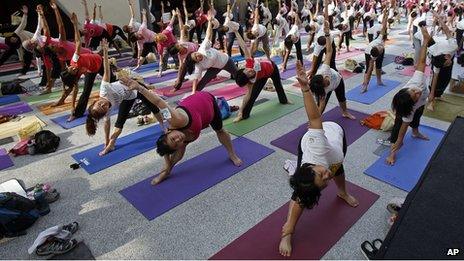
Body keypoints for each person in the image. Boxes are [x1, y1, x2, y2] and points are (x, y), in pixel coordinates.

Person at [279, 61, 359, 257]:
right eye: (324, 181)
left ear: (312, 167)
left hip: (333, 135)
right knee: (301, 194)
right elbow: (317, 179)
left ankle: (342, 192)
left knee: (338, 169)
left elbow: (315, 119)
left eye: (321, 174)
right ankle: (287, 232)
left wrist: (306, 89)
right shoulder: (316, 175)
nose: (326, 177)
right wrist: (287, 234)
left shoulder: (318, 147)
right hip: (320, 151)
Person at [124, 85, 242, 185]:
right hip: (201, 118)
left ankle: (232, 154)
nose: (178, 139)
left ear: (168, 132)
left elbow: (159, 102)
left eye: (173, 138)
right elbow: (170, 147)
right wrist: (167, 163)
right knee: (180, 148)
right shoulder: (179, 140)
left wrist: (140, 88)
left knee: (220, 130)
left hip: (207, 100)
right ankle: (167, 172)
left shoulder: (174, 120)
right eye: (176, 144)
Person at [85, 39, 164, 156]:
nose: (103, 105)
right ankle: (111, 145)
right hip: (128, 97)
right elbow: (107, 125)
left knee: (153, 106)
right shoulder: (106, 112)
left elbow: (106, 70)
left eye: (99, 104)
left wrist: (105, 52)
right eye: (103, 108)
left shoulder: (104, 89)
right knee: (119, 124)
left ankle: (164, 127)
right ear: (105, 111)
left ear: (96, 100)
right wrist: (107, 140)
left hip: (135, 86)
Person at [380, 25, 432, 165]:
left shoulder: (417, 81)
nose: (417, 92)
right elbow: (402, 133)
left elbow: (421, 61)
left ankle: (415, 132)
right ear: (412, 103)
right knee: (398, 129)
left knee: (418, 117)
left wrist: (425, 42)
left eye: (414, 91)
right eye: (415, 95)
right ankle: (392, 150)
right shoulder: (408, 111)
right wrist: (393, 154)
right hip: (406, 109)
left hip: (418, 106)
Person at [61, 13, 116, 122]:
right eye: (74, 71)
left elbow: (77, 42)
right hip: (91, 70)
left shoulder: (74, 60)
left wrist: (75, 25)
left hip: (99, 61)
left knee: (113, 80)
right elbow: (75, 90)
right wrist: (72, 107)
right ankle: (77, 113)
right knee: (86, 92)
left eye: (71, 68)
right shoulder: (75, 76)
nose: (74, 69)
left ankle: (127, 91)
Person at [233, 22, 291, 123]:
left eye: (247, 70)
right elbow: (246, 97)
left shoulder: (249, 64)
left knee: (278, 85)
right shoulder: (251, 82)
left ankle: (284, 101)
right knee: (252, 96)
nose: (250, 71)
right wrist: (240, 111)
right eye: (249, 74)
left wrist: (236, 32)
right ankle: (244, 115)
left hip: (272, 68)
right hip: (262, 77)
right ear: (249, 79)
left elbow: (243, 46)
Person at [308, 21, 356, 119]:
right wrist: (315, 121)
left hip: (338, 80)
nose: (327, 81)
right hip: (327, 86)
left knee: (342, 98)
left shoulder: (324, 70)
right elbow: (320, 107)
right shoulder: (322, 91)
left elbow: (329, 51)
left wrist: (327, 34)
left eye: (325, 80)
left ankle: (345, 112)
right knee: (321, 105)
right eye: (326, 84)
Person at [184, 12, 237, 94]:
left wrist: (209, 22)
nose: (198, 55)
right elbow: (196, 78)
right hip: (215, 67)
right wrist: (193, 92)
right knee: (203, 81)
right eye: (196, 58)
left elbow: (208, 35)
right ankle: (194, 96)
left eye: (195, 54)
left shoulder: (202, 49)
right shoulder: (199, 65)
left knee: (238, 75)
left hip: (226, 61)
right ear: (197, 62)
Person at [426, 14, 458, 111]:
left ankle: (439, 95)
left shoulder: (453, 46)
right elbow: (435, 78)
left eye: (447, 63)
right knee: (436, 81)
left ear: (447, 57)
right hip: (435, 54)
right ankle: (432, 100)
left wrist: (440, 19)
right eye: (446, 64)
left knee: (446, 78)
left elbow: (447, 31)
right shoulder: (437, 60)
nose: (448, 64)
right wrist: (431, 94)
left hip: (442, 51)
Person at [0, 5, 35, 75]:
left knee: (28, 56)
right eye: (13, 40)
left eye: (14, 39)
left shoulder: (16, 33)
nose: (14, 39)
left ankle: (24, 71)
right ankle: (23, 71)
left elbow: (23, 24)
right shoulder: (12, 44)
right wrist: (21, 60)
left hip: (30, 38)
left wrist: (25, 14)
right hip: (21, 44)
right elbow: (19, 50)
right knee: (5, 55)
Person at [170, 6, 199, 92]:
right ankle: (177, 86)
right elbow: (181, 68)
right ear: (179, 50)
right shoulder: (181, 56)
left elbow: (181, 28)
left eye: (179, 45)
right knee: (184, 70)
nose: (180, 45)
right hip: (192, 58)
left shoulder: (182, 42)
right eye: (179, 47)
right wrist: (178, 78)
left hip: (198, 50)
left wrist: (178, 16)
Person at [361, 7, 389, 93]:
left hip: (373, 50)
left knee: (379, 66)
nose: (381, 48)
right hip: (368, 53)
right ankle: (365, 85)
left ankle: (379, 81)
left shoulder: (379, 40)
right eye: (381, 50)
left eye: (381, 49)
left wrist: (385, 14)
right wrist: (365, 85)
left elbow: (384, 25)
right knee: (369, 69)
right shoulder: (371, 54)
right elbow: (369, 71)